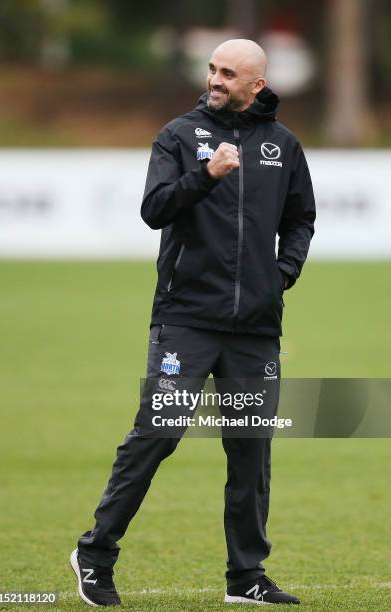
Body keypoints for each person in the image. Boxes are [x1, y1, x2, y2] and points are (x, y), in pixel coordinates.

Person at [70, 38, 315, 606]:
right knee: (156, 436)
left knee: (250, 451)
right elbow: (154, 208)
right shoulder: (179, 136)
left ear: (257, 85)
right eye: (212, 68)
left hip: (255, 328)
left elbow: (301, 218)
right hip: (186, 319)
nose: (215, 79)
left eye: (229, 72)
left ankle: (246, 578)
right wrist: (206, 174)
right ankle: (95, 553)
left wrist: (283, 272)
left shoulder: (283, 146)